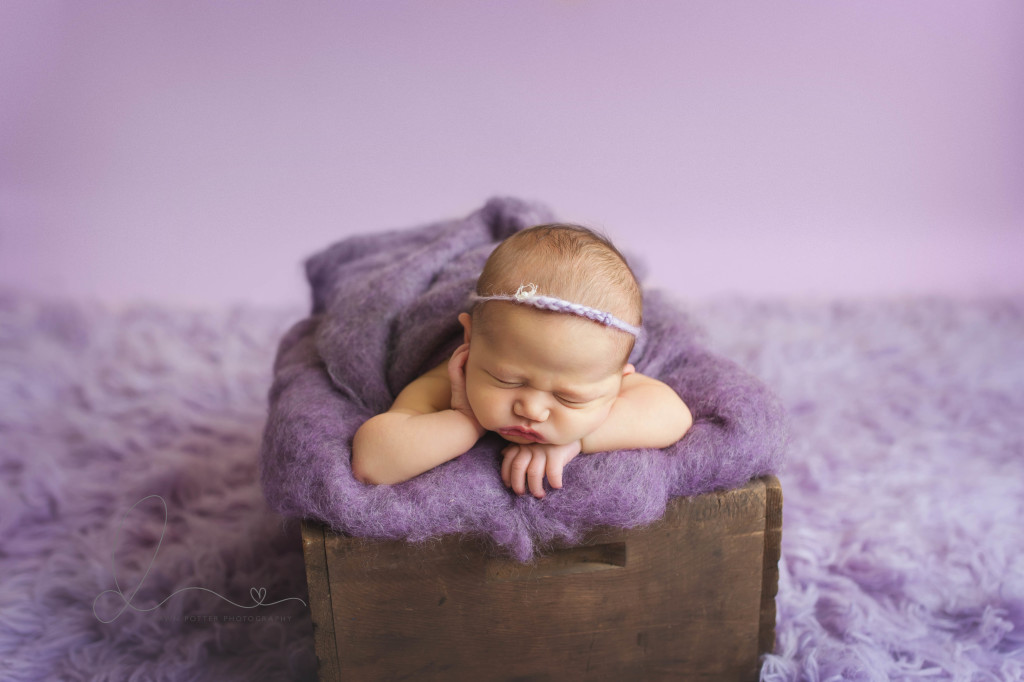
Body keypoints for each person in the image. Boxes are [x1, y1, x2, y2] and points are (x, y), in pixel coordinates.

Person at [351, 223, 692, 498]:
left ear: (620, 380)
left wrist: (576, 441)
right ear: (469, 342)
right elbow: (372, 462)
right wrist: (464, 420)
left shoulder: (594, 364)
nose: (532, 410)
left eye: (568, 397)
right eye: (508, 380)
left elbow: (673, 414)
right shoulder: (452, 375)